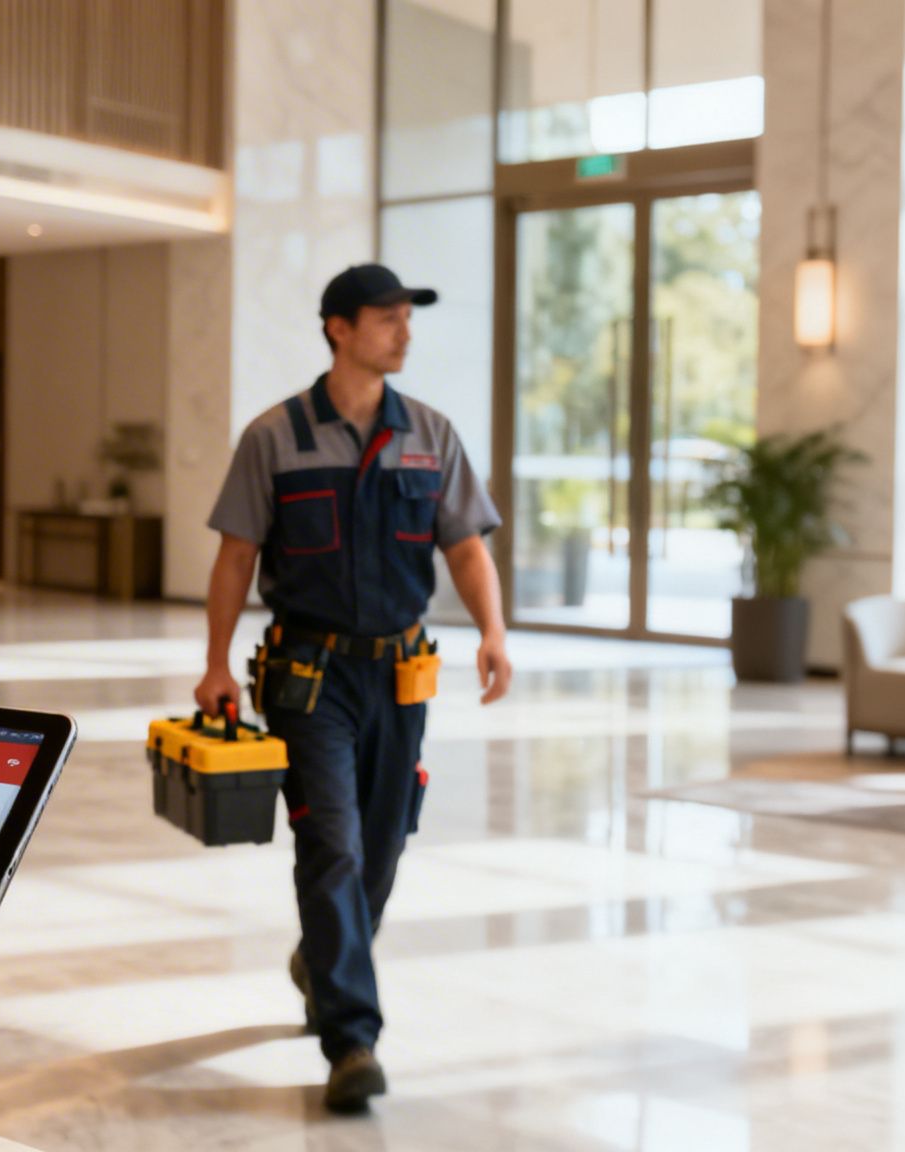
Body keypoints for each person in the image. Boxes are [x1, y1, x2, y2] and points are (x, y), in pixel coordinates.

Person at [192, 263, 512, 1112]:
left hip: (402, 675)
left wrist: (493, 630)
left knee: (380, 845)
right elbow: (236, 556)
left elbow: (467, 548)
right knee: (329, 841)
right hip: (308, 676)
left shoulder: (431, 435)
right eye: (386, 319)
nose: (403, 333)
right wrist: (217, 662)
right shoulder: (276, 437)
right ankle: (353, 1039)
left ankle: (322, 959)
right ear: (338, 327)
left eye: (408, 319)